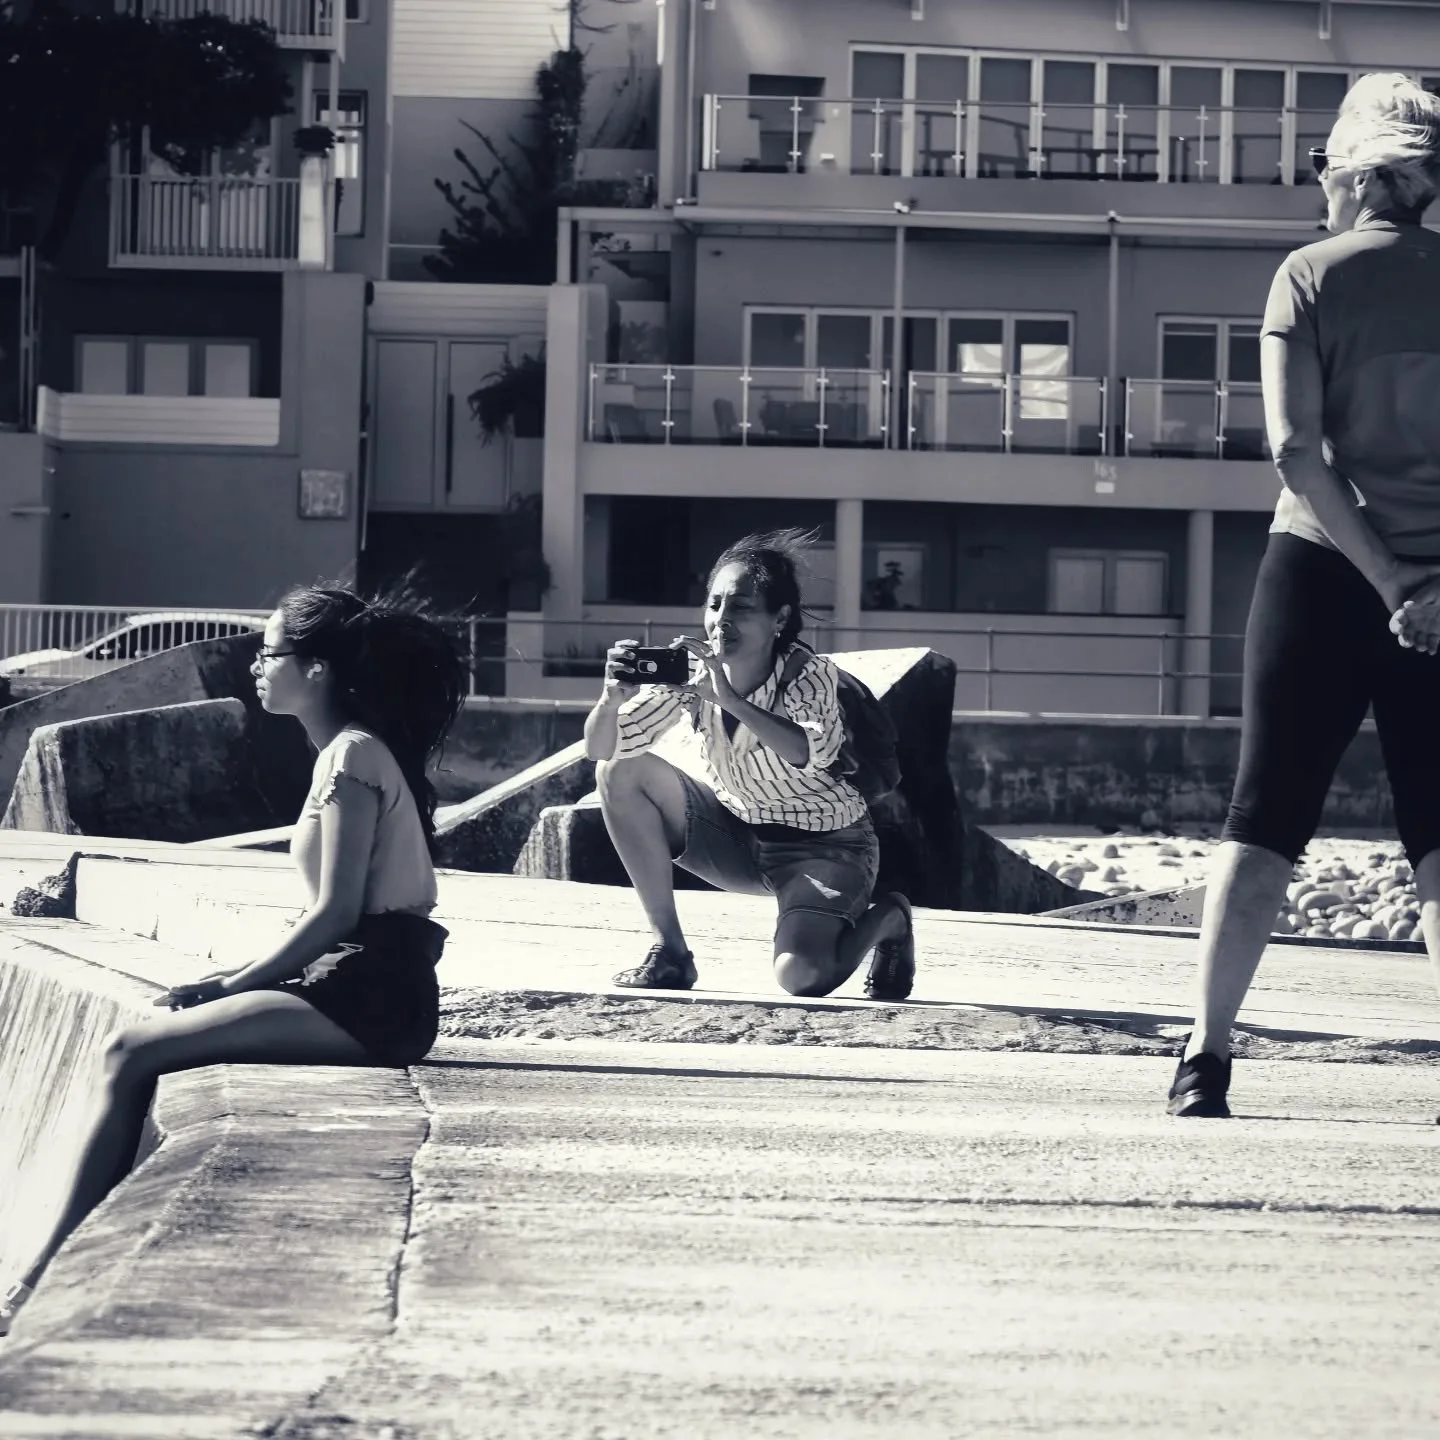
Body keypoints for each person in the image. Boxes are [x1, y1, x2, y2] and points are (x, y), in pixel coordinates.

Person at [0, 585, 467, 1335]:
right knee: (147, 1040)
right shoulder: (348, 752)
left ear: (316, 671)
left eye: (272, 650)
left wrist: (239, 980)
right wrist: (246, 981)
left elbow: (338, 913)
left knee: (131, 1049)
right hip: (356, 978)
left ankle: (39, 1277)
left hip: (371, 991)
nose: (255, 663)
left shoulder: (351, 756)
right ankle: (46, 1269)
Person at [1169, 73, 1440, 1119]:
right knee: (1436, 835)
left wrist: (1381, 583)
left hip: (1323, 571)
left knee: (1263, 819)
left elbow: (1295, 449)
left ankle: (1206, 1057)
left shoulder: (1308, 276)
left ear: (1357, 177)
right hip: (1437, 599)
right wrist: (1425, 594)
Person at [585, 528, 915, 1000]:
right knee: (619, 770)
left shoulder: (808, 673)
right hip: (738, 835)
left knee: (802, 976)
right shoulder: (690, 670)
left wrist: (730, 700)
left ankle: (889, 918)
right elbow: (602, 749)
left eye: (740, 607)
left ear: (779, 618)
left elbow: (809, 751)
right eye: (715, 604)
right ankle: (670, 952)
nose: (721, 621)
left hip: (825, 849)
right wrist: (609, 701)